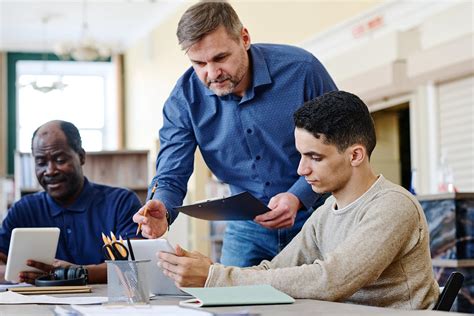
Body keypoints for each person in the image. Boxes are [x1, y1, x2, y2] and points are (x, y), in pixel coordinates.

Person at [156, 91, 440, 309]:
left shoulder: (393, 205)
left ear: (355, 155)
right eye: (301, 155)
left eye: (314, 157)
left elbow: (331, 279)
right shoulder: (326, 212)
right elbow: (275, 270)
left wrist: (216, 277)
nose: (301, 170)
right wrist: (213, 272)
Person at [133, 1, 337, 267]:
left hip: (318, 215)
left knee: (322, 303)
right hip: (246, 227)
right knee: (232, 303)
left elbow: (339, 143)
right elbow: (171, 174)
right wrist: (161, 207)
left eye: (220, 58)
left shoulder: (302, 70)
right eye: (199, 63)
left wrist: (298, 196)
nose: (212, 73)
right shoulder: (183, 100)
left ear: (244, 38)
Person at [0, 120, 141, 283]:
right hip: (39, 305)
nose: (50, 171)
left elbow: (134, 263)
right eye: (41, 162)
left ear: (81, 157)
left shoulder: (121, 202)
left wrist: (76, 273)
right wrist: (20, 273)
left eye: (60, 160)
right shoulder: (23, 210)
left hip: (109, 305)